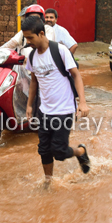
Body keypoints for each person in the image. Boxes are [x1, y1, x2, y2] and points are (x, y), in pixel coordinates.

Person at [23, 16, 90, 185]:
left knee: (59, 152)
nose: (28, 41)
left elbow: (76, 75)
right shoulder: (32, 56)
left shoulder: (60, 51)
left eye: (30, 38)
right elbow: (34, 81)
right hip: (44, 111)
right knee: (44, 150)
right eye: (26, 38)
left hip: (64, 110)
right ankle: (48, 182)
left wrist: (82, 102)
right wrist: (30, 105)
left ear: (41, 33)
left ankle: (81, 152)